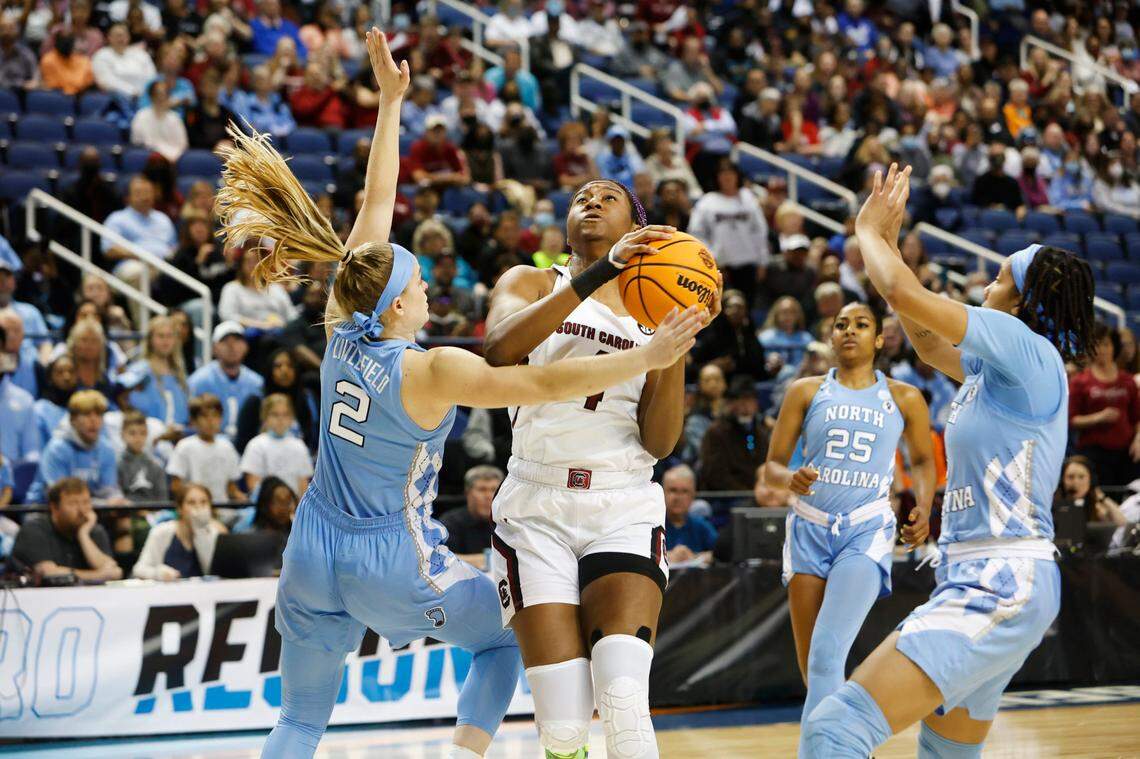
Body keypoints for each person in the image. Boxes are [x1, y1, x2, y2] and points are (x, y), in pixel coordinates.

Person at [213, 29, 704, 759]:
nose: (426, 288)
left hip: (311, 546)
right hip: (390, 554)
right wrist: (652, 352)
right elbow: (536, 376)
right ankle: (462, 755)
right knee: (504, 640)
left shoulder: (344, 326)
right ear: (400, 307)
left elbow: (375, 212)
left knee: (300, 719)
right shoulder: (433, 367)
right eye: (417, 285)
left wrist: (391, 107)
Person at [800, 165, 1096, 759]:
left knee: (835, 728)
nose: (987, 280)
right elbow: (928, 340)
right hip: (981, 576)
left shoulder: (1026, 348)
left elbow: (906, 297)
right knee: (946, 754)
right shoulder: (998, 371)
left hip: (1001, 580)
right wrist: (890, 253)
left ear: (1024, 298)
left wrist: (870, 235)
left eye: (1001, 274)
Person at [761, 300, 934, 752]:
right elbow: (773, 468)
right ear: (830, 336)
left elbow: (921, 460)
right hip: (807, 528)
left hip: (865, 529)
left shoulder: (903, 396)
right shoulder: (804, 390)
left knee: (825, 655)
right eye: (841, 325)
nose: (849, 331)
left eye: (861, 325)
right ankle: (846, 745)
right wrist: (790, 479)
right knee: (814, 666)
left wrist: (925, 506)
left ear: (879, 339)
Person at [688, 160, 768, 305]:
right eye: (723, 174)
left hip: (748, 264)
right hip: (720, 266)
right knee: (721, 307)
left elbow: (760, 231)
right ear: (717, 177)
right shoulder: (707, 202)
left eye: (730, 173)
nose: (727, 177)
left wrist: (762, 261)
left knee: (747, 306)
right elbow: (696, 234)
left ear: (737, 176)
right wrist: (711, 258)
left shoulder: (748, 198)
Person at [1068, 323, 1140, 486]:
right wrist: (1098, 417)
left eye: (1106, 344)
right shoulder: (1080, 382)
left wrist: (1138, 438)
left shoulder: (1127, 381)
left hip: (1127, 452)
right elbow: (1071, 420)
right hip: (1094, 452)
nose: (1102, 349)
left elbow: (1137, 417)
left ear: (1114, 347)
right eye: (1097, 344)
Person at [10, 478, 122, 581]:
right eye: (73, 503)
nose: (82, 510)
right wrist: (98, 575)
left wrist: (83, 535)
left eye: (86, 502)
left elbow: (114, 571)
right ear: (54, 507)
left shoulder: (92, 529)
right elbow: (49, 573)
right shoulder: (34, 529)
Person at [26, 390, 123, 504]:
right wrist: (104, 504)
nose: (94, 420)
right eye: (87, 414)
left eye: (98, 414)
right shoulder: (56, 450)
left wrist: (117, 501)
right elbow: (61, 499)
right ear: (72, 420)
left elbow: (109, 491)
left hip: (90, 508)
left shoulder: (106, 449)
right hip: (44, 510)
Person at [187, 322, 265, 440]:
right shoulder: (198, 381)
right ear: (214, 348)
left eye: (237, 341)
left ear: (246, 347)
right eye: (225, 342)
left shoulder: (257, 383)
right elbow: (189, 422)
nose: (232, 346)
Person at [131, 483, 223, 580]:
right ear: (180, 508)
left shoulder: (213, 534)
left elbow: (211, 570)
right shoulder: (161, 531)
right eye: (191, 503)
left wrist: (200, 530)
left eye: (203, 502)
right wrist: (158, 573)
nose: (198, 507)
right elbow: (139, 569)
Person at [166, 393, 245, 506]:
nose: (211, 421)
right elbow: (176, 486)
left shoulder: (227, 447)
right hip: (194, 509)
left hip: (223, 510)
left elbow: (231, 488)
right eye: (204, 416)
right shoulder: (185, 447)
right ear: (193, 420)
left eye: (215, 416)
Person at [698, 375, 770, 491]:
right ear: (731, 404)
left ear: (756, 404)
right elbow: (716, 475)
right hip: (726, 497)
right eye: (740, 400)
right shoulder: (717, 432)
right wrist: (748, 493)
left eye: (749, 400)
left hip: (758, 494)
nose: (745, 407)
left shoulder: (762, 432)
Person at [122, 315, 189, 430]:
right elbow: (123, 398)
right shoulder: (139, 370)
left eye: (169, 336)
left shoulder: (179, 372)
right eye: (160, 336)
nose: (165, 341)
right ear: (150, 339)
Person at [240, 394, 313, 496]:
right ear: (265, 417)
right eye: (275, 414)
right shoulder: (256, 445)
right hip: (265, 507)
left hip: (293, 507)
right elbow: (253, 485)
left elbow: (303, 486)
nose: (280, 419)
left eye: (285, 414)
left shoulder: (299, 446)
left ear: (291, 418)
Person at [440, 465, 503, 568]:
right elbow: (441, 558)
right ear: (467, 493)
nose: (488, 496)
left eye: (493, 490)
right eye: (482, 489)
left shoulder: (508, 522)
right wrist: (488, 560)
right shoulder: (450, 523)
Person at [662, 464, 716, 564]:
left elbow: (720, 554)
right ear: (662, 493)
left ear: (693, 495)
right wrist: (666, 556)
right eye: (673, 490)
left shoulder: (701, 526)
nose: (678, 497)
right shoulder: (652, 527)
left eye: (685, 491)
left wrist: (694, 557)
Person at [118, 409, 168, 502]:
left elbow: (163, 500)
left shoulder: (157, 466)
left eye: (142, 433)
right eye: (132, 433)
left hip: (155, 515)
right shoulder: (117, 465)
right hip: (127, 514)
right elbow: (117, 497)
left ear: (147, 434)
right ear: (122, 435)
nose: (138, 438)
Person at [760, 296, 815, 371]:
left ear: (798, 315)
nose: (788, 316)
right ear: (776, 314)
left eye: (792, 312)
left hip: (801, 378)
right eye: (784, 312)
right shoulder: (765, 338)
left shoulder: (806, 338)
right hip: (774, 379)